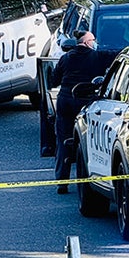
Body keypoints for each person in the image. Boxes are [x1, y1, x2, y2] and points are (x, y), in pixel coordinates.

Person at [49, 30, 111, 193]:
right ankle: (88, 179)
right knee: (88, 140)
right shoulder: (97, 57)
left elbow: (53, 80)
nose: (95, 42)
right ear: (86, 42)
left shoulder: (65, 58)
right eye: (93, 39)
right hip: (86, 102)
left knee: (63, 140)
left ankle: (62, 181)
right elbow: (116, 56)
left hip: (65, 101)